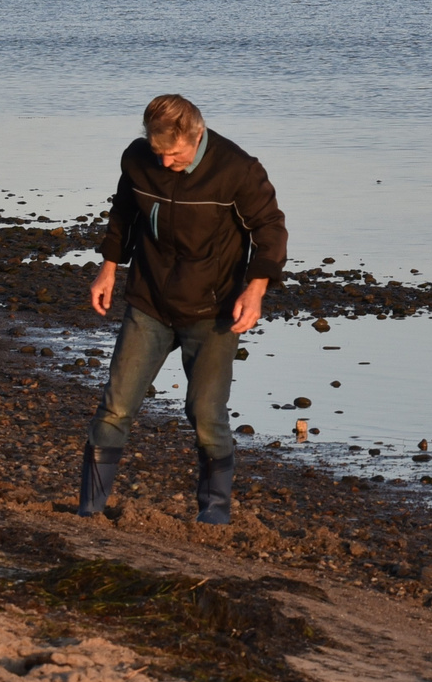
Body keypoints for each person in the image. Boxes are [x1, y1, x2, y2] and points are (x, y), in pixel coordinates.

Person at [79, 94, 287, 523]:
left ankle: (214, 517)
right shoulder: (138, 160)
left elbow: (270, 229)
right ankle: (89, 511)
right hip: (149, 302)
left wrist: (256, 289)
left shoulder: (238, 169)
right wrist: (108, 269)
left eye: (174, 154)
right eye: (159, 153)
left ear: (197, 134)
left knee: (206, 414)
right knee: (115, 407)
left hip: (213, 311)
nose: (167, 163)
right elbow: (123, 215)